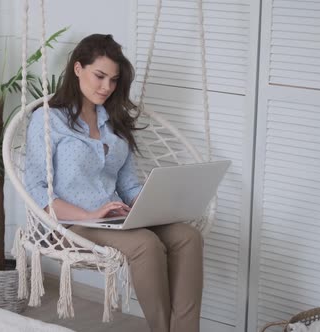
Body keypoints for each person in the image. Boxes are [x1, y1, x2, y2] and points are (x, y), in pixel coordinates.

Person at [24, 34, 204, 332]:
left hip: (115, 219)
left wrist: (155, 205)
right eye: (100, 76)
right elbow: (37, 188)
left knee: (188, 236)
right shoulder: (47, 119)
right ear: (78, 69)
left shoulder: (113, 121)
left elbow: (128, 184)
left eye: (114, 80)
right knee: (146, 244)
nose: (106, 87)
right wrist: (89, 215)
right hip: (69, 224)